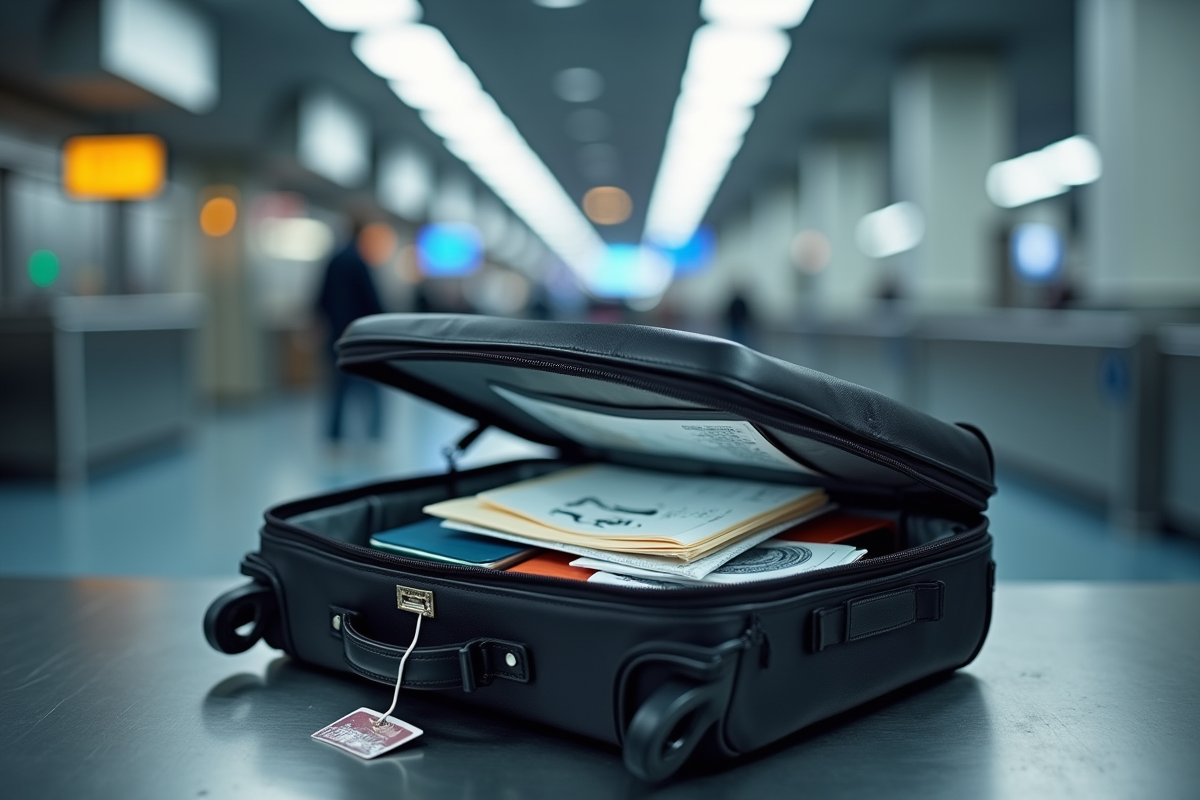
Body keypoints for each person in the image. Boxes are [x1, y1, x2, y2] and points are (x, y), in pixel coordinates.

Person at [315, 222, 385, 446]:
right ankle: (373, 437)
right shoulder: (360, 262)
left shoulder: (334, 260)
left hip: (336, 336)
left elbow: (320, 297)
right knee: (371, 390)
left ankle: (334, 439)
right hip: (360, 338)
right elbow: (372, 302)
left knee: (337, 391)